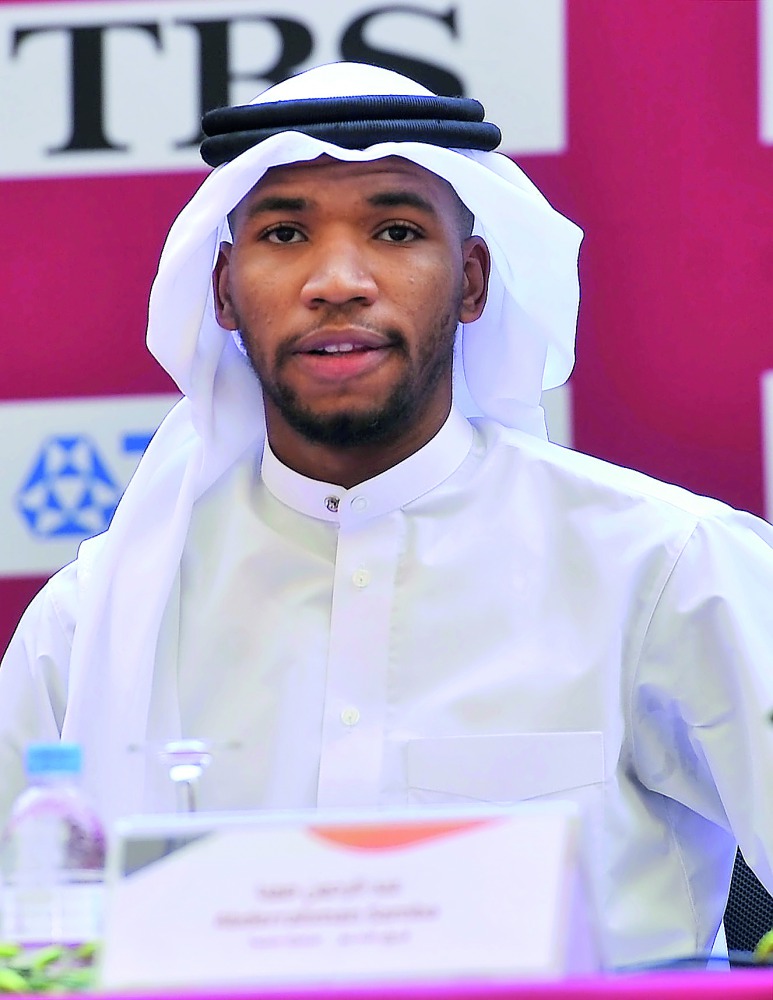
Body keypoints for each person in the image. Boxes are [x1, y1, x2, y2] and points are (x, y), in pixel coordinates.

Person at [2, 61, 773, 970]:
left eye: (396, 230)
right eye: (285, 232)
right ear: (220, 291)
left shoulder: (664, 567)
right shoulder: (94, 622)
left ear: (473, 281)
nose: (336, 280)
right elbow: (30, 956)